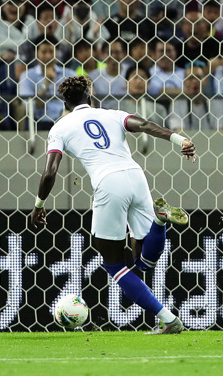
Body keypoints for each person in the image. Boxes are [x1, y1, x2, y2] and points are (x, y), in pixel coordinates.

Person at [30, 75, 195, 334]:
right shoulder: (112, 114)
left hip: (108, 183)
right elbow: (144, 124)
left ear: (64, 102)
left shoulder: (59, 128)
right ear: (90, 95)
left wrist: (39, 205)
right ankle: (160, 219)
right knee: (142, 262)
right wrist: (179, 141)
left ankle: (168, 319)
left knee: (114, 264)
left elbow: (50, 171)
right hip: (135, 175)